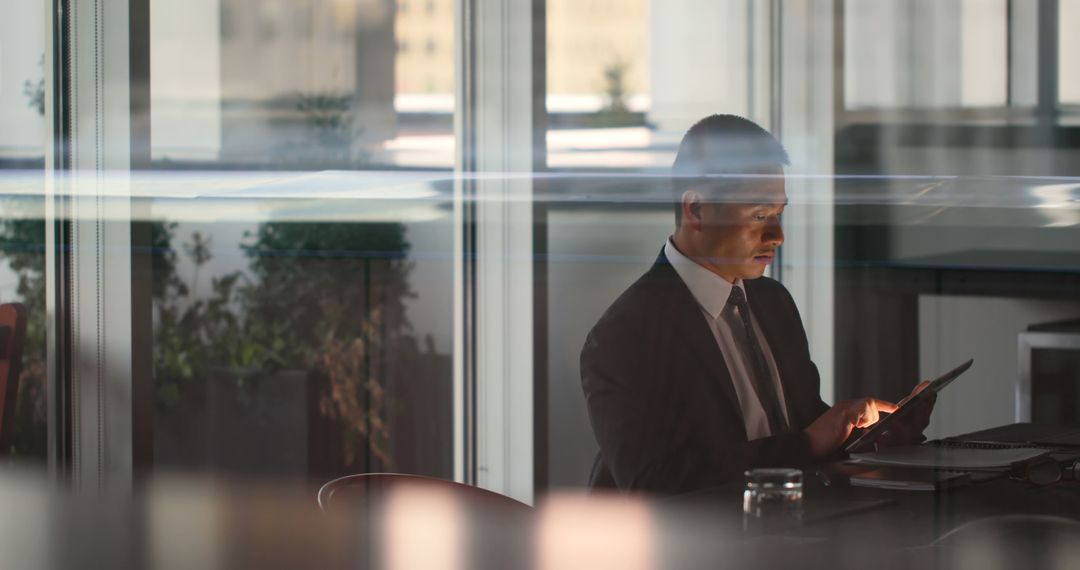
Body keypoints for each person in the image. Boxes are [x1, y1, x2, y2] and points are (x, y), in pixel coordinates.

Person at [580, 114, 934, 494]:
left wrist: (872, 436)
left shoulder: (773, 302)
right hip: (698, 548)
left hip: (793, 529)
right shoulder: (625, 336)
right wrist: (813, 442)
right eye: (760, 215)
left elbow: (803, 433)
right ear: (696, 210)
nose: (777, 236)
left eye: (780, 214)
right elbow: (654, 484)